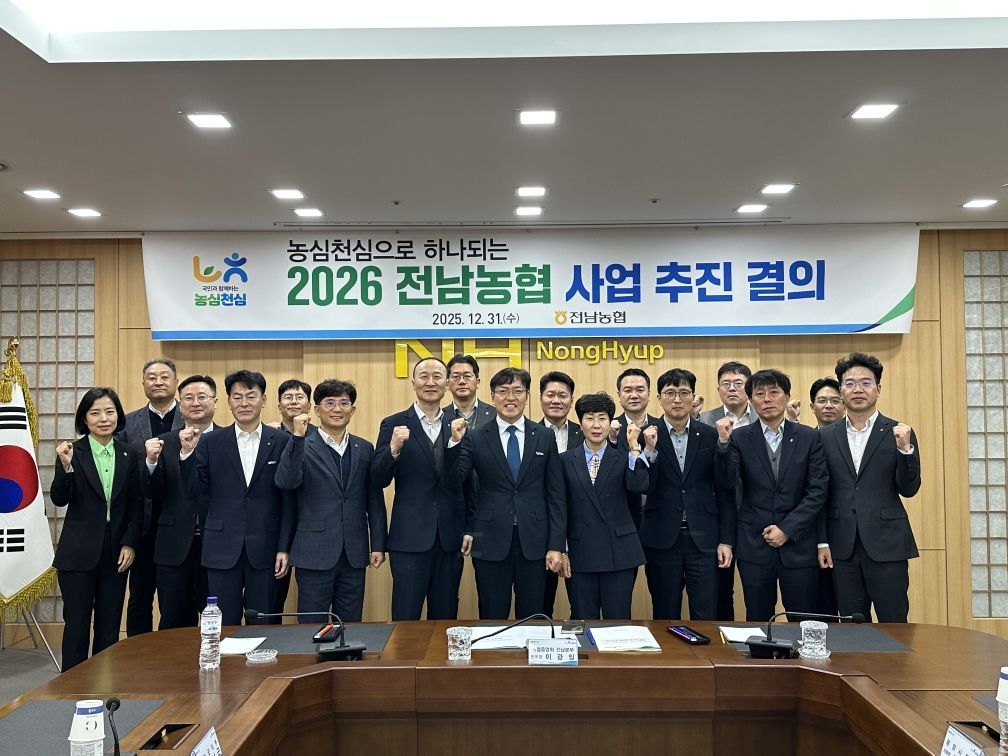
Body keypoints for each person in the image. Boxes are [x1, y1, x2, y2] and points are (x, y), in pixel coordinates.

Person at [179, 370, 293, 625]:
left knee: (263, 623)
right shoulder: (210, 442)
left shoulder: (281, 441)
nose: (244, 403)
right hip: (221, 547)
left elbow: (288, 501)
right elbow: (193, 490)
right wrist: (186, 454)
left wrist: (284, 547)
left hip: (266, 547)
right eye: (237, 397)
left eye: (251, 396)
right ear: (228, 402)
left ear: (263, 400)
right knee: (223, 624)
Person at [451, 367, 566, 619]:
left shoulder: (544, 436)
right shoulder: (475, 436)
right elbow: (454, 482)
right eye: (503, 391)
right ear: (492, 396)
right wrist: (455, 443)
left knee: (534, 616)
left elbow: (556, 495)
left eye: (517, 391)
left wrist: (556, 545)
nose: (510, 398)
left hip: (535, 541)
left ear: (527, 396)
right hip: (488, 539)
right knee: (492, 615)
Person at [715, 369, 828, 621]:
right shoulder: (739, 437)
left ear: (786, 397)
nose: (767, 399)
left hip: (799, 545)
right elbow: (726, 483)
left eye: (774, 392)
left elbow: (818, 491)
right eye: (759, 394)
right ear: (751, 400)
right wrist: (722, 445)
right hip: (754, 545)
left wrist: (787, 529)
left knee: (803, 620)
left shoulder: (809, 437)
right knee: (757, 619)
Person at [819, 353, 921, 622]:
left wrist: (905, 450)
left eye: (866, 382)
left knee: (894, 622)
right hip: (842, 546)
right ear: (841, 390)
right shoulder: (825, 436)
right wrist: (822, 541)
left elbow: (909, 488)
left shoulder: (899, 431)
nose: (858, 389)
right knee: (852, 625)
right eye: (850, 383)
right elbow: (819, 494)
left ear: (878, 388)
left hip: (887, 544)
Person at [275, 379, 387, 623]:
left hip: (354, 553)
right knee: (310, 625)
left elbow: (374, 499)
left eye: (344, 403)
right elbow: (286, 482)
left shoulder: (364, 447)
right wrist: (297, 437)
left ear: (352, 410)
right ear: (316, 410)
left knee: (350, 625)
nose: (337, 409)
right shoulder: (301, 444)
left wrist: (378, 544)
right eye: (330, 403)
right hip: (313, 552)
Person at [51, 388, 143, 672]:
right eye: (95, 413)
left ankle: (104, 684)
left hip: (116, 553)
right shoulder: (72, 452)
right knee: (77, 622)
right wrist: (65, 468)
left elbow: (136, 503)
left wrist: (129, 543)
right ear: (84, 419)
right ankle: (72, 686)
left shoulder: (128, 452)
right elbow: (59, 499)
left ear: (118, 415)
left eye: (109, 412)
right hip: (78, 553)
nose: (104, 418)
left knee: (109, 624)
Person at [372, 358, 465, 621]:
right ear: (413, 383)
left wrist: (455, 444)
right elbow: (378, 479)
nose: (430, 382)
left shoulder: (459, 424)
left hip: (448, 538)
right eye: (424, 376)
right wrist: (393, 449)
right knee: (405, 616)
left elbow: (464, 483)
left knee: (445, 617)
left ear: (447, 383)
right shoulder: (393, 423)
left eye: (437, 376)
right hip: (408, 540)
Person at [639, 369, 735, 620]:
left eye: (684, 393)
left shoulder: (711, 435)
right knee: (665, 613)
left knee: (706, 613)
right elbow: (643, 485)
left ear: (693, 397)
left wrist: (726, 540)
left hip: (704, 538)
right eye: (670, 393)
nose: (677, 400)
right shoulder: (645, 435)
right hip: (661, 539)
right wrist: (649, 451)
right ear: (659, 398)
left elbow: (725, 488)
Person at [560, 392, 653, 619]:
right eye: (589, 418)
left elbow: (639, 485)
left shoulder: (624, 457)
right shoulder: (564, 460)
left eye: (602, 418)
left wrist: (634, 447)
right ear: (580, 422)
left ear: (610, 422)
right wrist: (562, 548)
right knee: (582, 618)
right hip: (580, 551)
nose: (596, 425)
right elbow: (559, 507)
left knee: (618, 621)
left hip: (619, 551)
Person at [144, 375, 219, 629]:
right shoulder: (164, 442)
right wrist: (150, 463)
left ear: (215, 402)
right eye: (188, 398)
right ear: (180, 404)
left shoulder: (228, 439)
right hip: (173, 545)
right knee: (173, 622)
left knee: (215, 621)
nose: (195, 403)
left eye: (202, 397)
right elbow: (152, 493)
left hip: (217, 545)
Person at [119, 358, 183, 636]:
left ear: (176, 382)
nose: (158, 382)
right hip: (142, 524)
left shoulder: (192, 418)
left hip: (179, 523)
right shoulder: (126, 423)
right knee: (139, 596)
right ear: (143, 383)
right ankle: (138, 651)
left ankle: (177, 651)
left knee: (177, 599)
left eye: (164, 377)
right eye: (152, 377)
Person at [697, 360, 755, 622]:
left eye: (738, 383)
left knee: (757, 587)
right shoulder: (704, 421)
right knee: (721, 588)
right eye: (726, 384)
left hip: (755, 512)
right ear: (718, 388)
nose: (732, 389)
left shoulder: (763, 417)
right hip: (719, 513)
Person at [539, 370, 583, 617]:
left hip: (581, 534)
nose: (556, 400)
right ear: (540, 398)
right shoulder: (529, 434)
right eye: (550, 394)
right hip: (541, 535)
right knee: (542, 605)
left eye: (562, 395)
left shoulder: (586, 433)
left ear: (571, 399)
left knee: (582, 607)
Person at [270, 378, 313, 612]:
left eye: (299, 397)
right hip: (275, 524)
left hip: (310, 523)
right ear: (279, 405)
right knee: (273, 597)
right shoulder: (268, 435)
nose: (294, 402)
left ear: (309, 405)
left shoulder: (321, 436)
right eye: (288, 397)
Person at [607, 368, 661, 531]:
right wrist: (612, 440)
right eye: (628, 390)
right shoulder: (609, 428)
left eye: (640, 390)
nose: (634, 395)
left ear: (649, 394)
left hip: (658, 517)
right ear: (619, 395)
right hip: (621, 517)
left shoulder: (662, 427)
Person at [808, 376, 843, 616]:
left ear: (844, 405)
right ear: (812, 407)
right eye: (822, 400)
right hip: (814, 537)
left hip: (852, 536)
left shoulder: (854, 439)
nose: (828, 405)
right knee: (823, 609)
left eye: (835, 400)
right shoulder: (804, 440)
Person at [444, 353, 496, 427]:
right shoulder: (441, 416)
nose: (462, 381)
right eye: (456, 376)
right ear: (448, 384)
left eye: (467, 376)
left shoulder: (495, 414)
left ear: (477, 383)